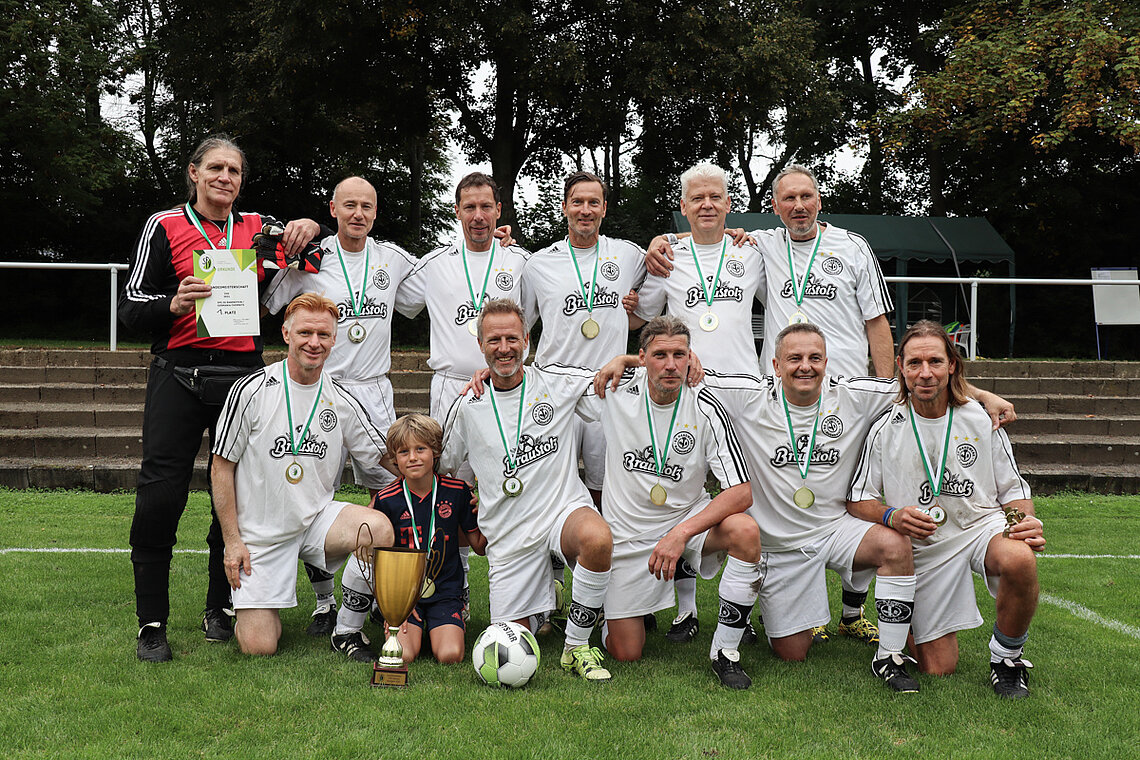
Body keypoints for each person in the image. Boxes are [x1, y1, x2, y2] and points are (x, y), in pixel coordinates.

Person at [599, 322, 1015, 692]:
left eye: (815, 358)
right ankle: (769, 612)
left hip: (836, 529)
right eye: (794, 358)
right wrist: (624, 359)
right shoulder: (745, 395)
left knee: (894, 544)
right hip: (779, 547)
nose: (805, 366)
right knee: (792, 652)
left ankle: (889, 657)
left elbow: (924, 377)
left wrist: (980, 396)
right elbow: (672, 371)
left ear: (827, 362)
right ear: (776, 365)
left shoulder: (854, 395)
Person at [647, 163, 894, 644]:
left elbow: (877, 322)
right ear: (775, 208)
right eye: (788, 200)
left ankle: (850, 611)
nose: (798, 206)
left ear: (820, 199)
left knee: (846, 496)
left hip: (846, 393)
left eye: (807, 197)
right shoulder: (762, 245)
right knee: (752, 497)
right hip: (766, 392)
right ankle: (732, 603)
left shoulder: (851, 246)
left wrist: (887, 389)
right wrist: (662, 238)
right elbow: (704, 235)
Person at [120, 135, 324, 662]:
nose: (224, 177)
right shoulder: (164, 225)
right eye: (215, 167)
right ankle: (152, 621)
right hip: (179, 373)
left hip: (240, 378)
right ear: (194, 172)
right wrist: (173, 301)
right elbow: (131, 308)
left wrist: (310, 228)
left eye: (234, 170)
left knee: (234, 496)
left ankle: (219, 604)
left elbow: (315, 259)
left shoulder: (257, 226)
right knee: (161, 494)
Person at [847, 320, 1043, 698]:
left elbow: (1012, 490)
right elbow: (858, 500)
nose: (925, 373)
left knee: (1019, 558)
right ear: (900, 366)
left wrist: (1022, 522)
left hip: (978, 528)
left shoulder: (981, 418)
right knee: (938, 668)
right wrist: (892, 516)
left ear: (952, 365)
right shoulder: (885, 426)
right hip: (924, 547)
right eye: (915, 363)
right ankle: (903, 618)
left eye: (935, 362)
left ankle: (1006, 660)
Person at [262, 176, 418, 635]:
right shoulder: (313, 255)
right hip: (318, 391)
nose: (358, 214)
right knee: (310, 493)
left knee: (390, 490)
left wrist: (502, 245)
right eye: (349, 205)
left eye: (366, 206)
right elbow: (271, 303)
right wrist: (291, 241)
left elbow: (450, 274)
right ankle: (324, 603)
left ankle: (374, 592)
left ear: (375, 211)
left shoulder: (392, 259)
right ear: (333, 209)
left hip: (372, 392)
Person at [211, 294, 397, 656]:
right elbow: (222, 466)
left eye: (324, 335)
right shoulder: (251, 390)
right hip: (261, 535)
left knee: (378, 529)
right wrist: (232, 540)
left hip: (315, 522)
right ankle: (259, 608)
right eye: (306, 332)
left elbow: (383, 456)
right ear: (286, 334)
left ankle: (348, 627)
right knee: (258, 646)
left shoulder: (340, 398)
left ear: (334, 339)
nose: (315, 342)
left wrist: (439, 484)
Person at [439, 298, 615, 682]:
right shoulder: (468, 404)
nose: (504, 348)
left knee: (597, 538)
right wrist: (468, 509)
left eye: (512, 339)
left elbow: (615, 384)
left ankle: (577, 647)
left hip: (560, 513)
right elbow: (444, 468)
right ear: (481, 346)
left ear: (527, 340)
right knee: (513, 636)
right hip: (510, 535)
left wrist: (626, 360)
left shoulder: (556, 383)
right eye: (494, 340)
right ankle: (544, 602)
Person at [585, 316, 762, 689]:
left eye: (679, 354)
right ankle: (614, 609)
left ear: (690, 357)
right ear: (643, 357)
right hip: (629, 535)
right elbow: (544, 383)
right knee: (626, 652)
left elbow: (742, 491)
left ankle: (725, 652)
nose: (670, 365)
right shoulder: (614, 390)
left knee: (745, 530)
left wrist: (681, 533)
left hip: (687, 519)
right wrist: (484, 377)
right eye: (660, 355)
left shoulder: (706, 405)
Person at [520, 171, 647, 507]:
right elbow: (521, 327)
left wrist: (635, 313)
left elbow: (660, 278)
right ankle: (552, 555)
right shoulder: (538, 264)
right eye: (578, 202)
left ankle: (600, 556)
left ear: (604, 209)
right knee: (548, 480)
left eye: (593, 202)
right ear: (564, 207)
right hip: (554, 387)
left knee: (603, 483)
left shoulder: (629, 256)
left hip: (607, 386)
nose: (585, 210)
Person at [331, 413, 487, 663]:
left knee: (450, 655)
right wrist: (391, 601)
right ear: (394, 459)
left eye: (421, 449)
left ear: (435, 451)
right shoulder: (386, 499)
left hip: (445, 590)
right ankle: (392, 620)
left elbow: (479, 546)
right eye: (403, 452)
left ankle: (451, 618)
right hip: (402, 594)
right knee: (405, 655)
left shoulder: (457, 491)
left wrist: (490, 512)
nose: (413, 457)